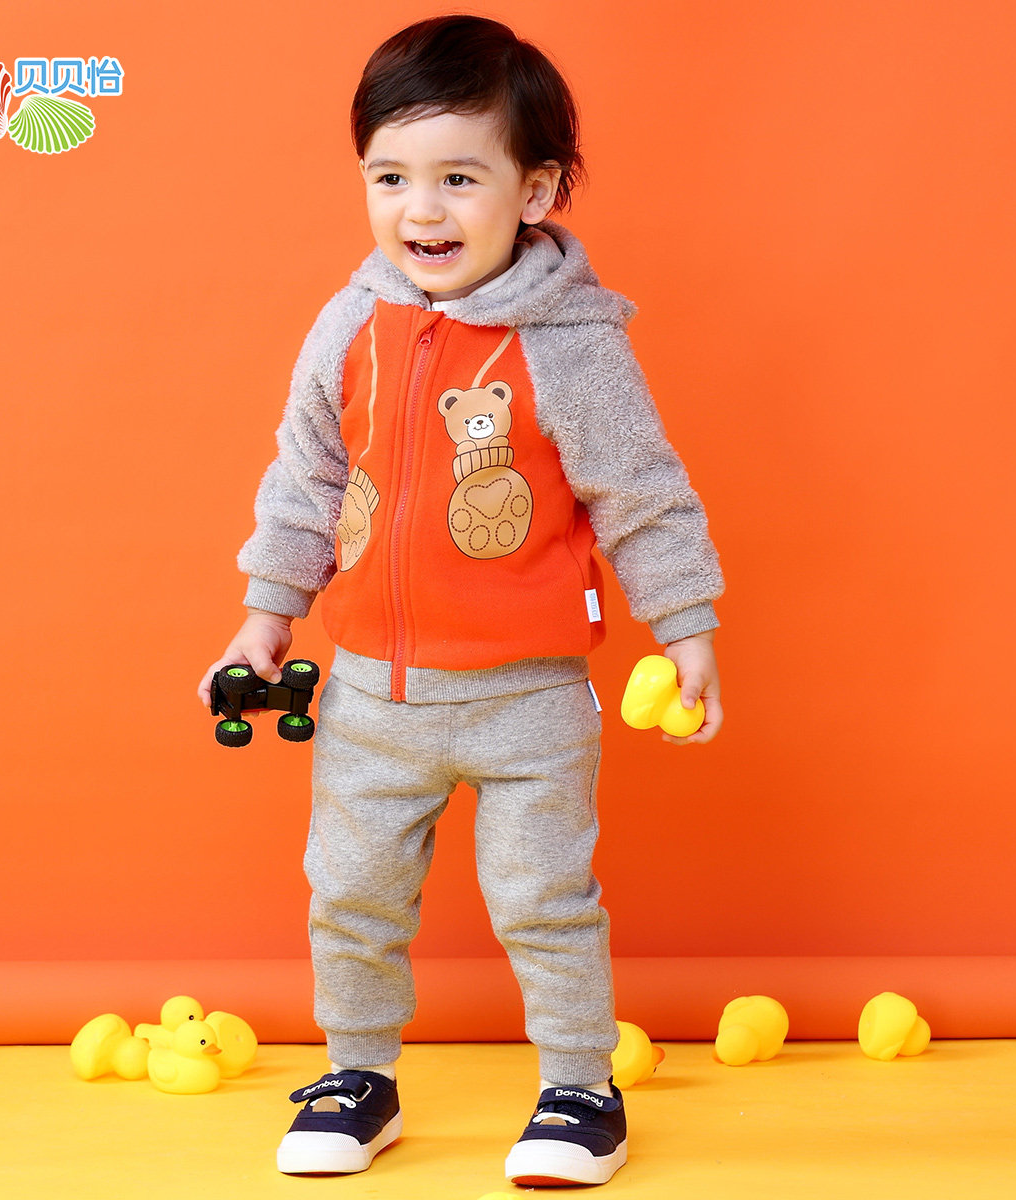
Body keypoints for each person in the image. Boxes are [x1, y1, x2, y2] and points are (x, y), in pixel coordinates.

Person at [198, 14, 723, 1187]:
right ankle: (357, 1078)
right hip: (371, 698)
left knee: (544, 899)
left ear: (534, 190)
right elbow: (306, 475)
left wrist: (687, 625)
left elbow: (641, 491)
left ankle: (580, 1090)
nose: (420, 210)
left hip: (529, 698)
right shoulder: (351, 323)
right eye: (389, 177)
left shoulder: (572, 345)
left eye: (458, 178)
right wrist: (266, 611)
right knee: (350, 895)